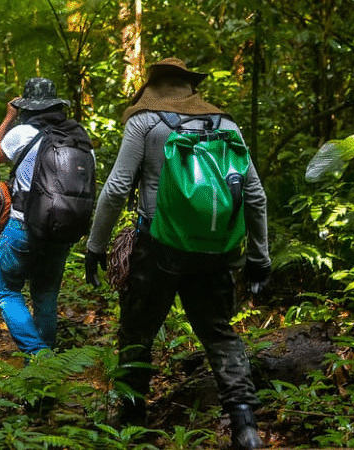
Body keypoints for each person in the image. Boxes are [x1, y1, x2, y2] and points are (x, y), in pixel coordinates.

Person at [83, 58, 271, 450]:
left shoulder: (144, 122)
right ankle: (245, 425)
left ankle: (132, 422)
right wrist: (260, 256)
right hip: (215, 249)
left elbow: (117, 188)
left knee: (137, 333)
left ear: (151, 87)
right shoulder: (226, 125)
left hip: (158, 246)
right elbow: (254, 194)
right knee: (219, 333)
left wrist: (95, 246)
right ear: (190, 87)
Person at [0, 77, 90, 355]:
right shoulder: (79, 136)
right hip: (62, 228)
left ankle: (38, 354)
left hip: (24, 225)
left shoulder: (22, 132)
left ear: (27, 107)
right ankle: (46, 367)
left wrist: (8, 117)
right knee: (46, 294)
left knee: (4, 287)